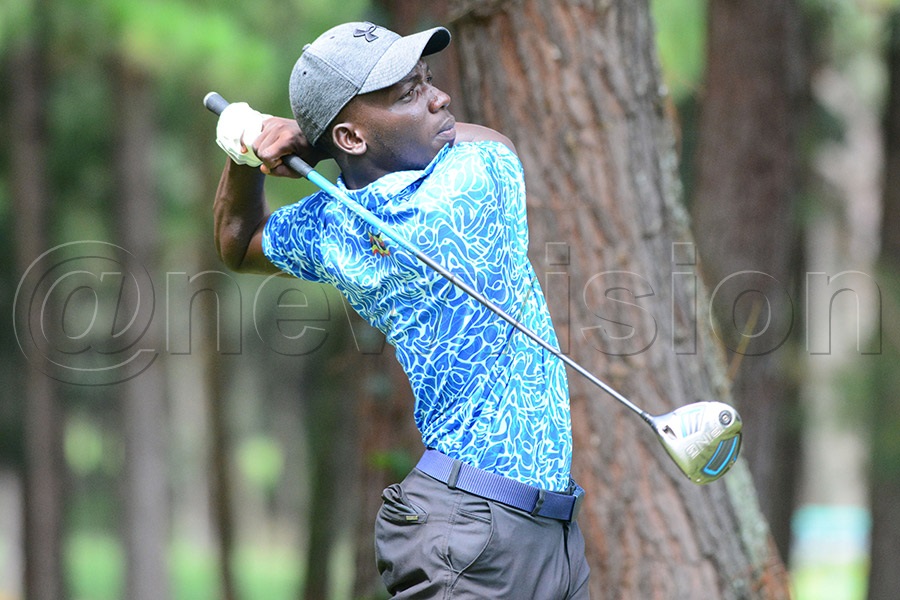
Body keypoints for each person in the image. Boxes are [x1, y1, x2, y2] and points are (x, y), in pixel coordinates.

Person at [212, 21, 590, 599]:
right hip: (475, 534)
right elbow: (493, 139)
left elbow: (239, 243)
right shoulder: (474, 179)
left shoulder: (333, 227)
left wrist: (245, 150)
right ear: (354, 138)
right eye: (409, 94)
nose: (439, 98)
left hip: (522, 530)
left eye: (428, 80)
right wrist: (313, 141)